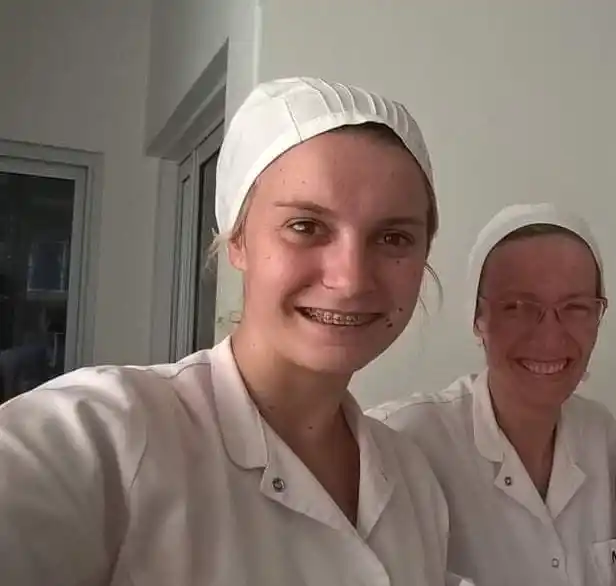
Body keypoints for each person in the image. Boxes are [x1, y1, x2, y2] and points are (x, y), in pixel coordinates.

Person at [0, 77, 460, 585]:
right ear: (236, 240)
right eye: (306, 226)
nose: (350, 279)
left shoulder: (412, 479)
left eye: (393, 237)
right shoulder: (110, 433)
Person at [367, 203, 616, 586]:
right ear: (478, 318)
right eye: (519, 307)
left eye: (575, 307)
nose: (550, 336)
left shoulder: (604, 438)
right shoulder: (403, 441)